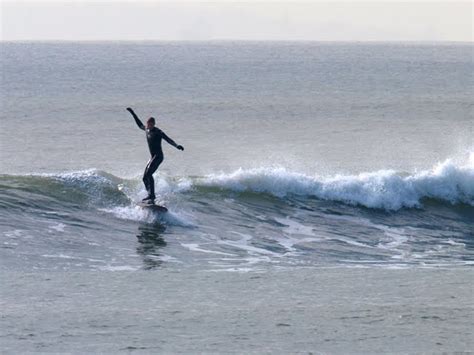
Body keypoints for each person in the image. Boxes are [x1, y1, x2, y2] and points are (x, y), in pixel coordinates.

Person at [126, 107, 184, 204]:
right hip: (152, 157)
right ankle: (149, 194)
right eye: (148, 124)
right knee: (144, 178)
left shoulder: (158, 132)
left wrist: (177, 145)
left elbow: (168, 139)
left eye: (151, 125)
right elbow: (139, 124)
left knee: (149, 174)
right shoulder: (146, 129)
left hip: (158, 156)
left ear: (154, 124)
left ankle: (152, 196)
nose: (149, 126)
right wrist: (133, 113)